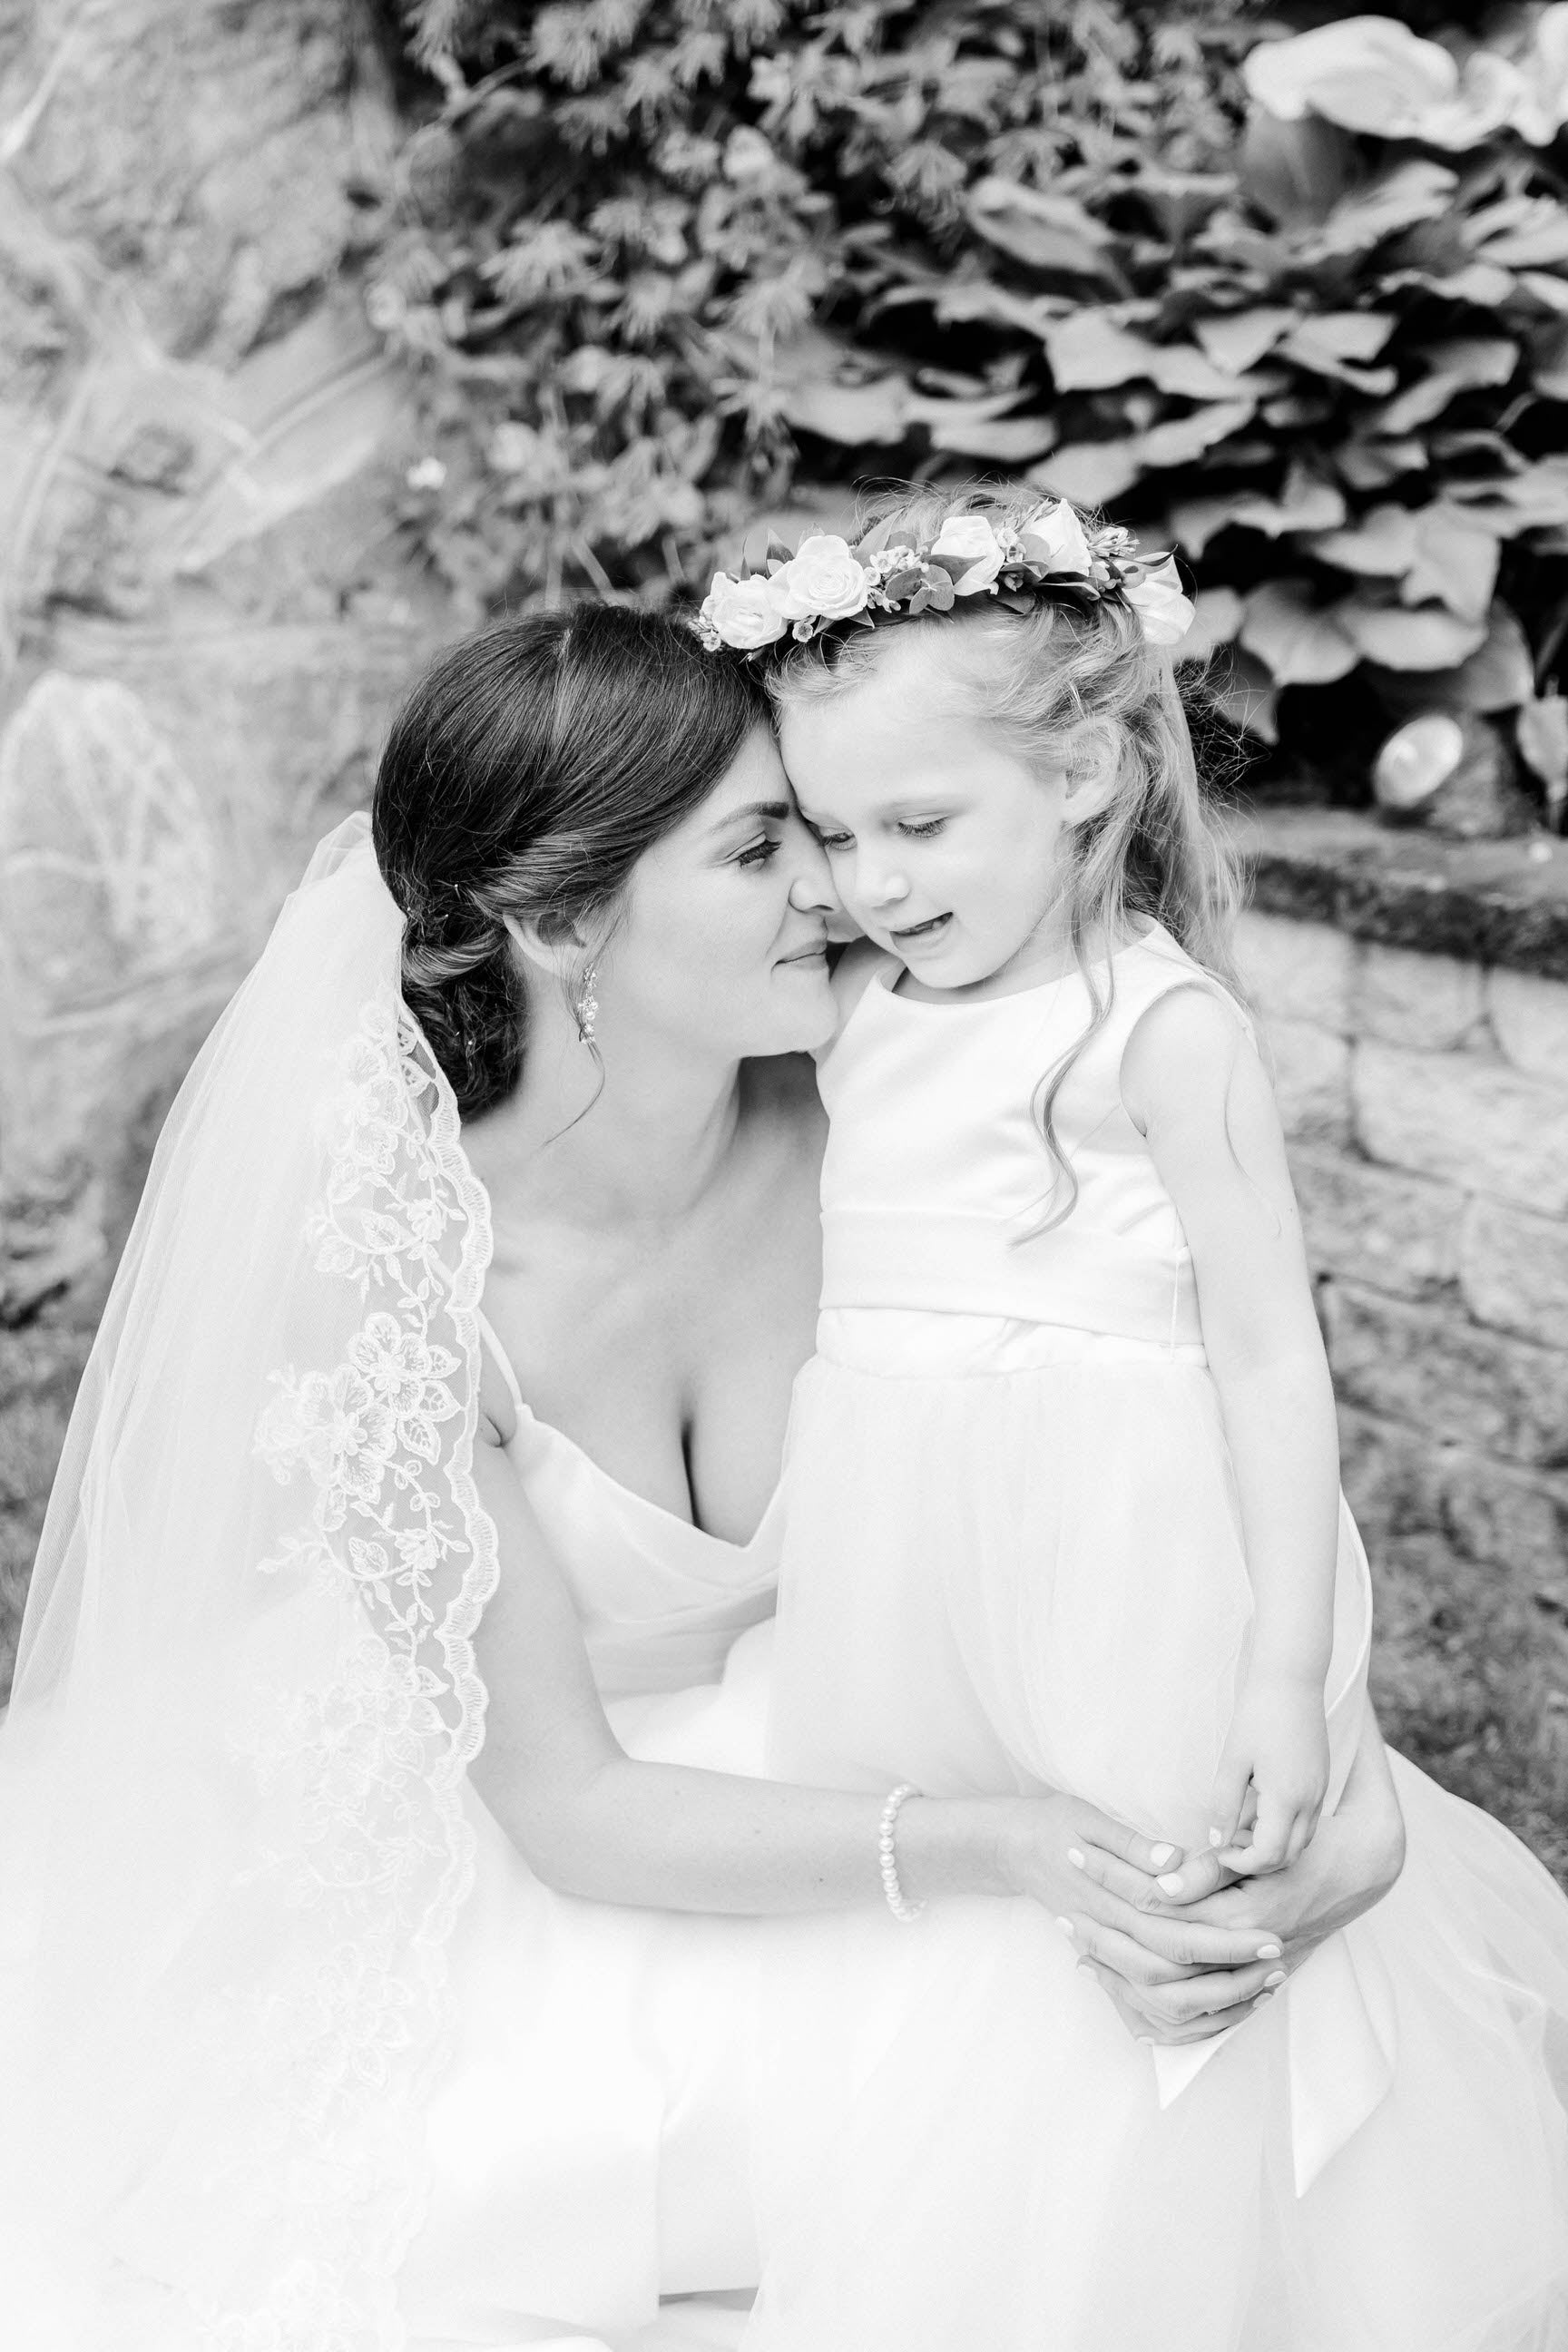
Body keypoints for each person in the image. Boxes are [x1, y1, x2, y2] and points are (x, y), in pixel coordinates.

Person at [0, 603, 1407, 2352]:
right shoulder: (393, 1285)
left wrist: (1336, 1784)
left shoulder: (896, 1105)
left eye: (822, 827)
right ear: (558, 917)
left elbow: (1147, 1454)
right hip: (590, 1850)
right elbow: (573, 1811)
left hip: (904, 1712)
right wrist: (1016, 1846)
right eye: (763, 848)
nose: (841, 889)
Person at [690, 485, 1568, 2350]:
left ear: (1087, 769)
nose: (872, 882)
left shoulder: (1157, 1033)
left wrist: (1284, 1670)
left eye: (921, 826)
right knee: (955, 1897)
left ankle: (1193, 2261)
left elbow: (1266, 1360)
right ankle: (952, 2220)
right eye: (836, 834)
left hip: (1127, 1547)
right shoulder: (855, 1009)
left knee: (1158, 1892)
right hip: (906, 1552)